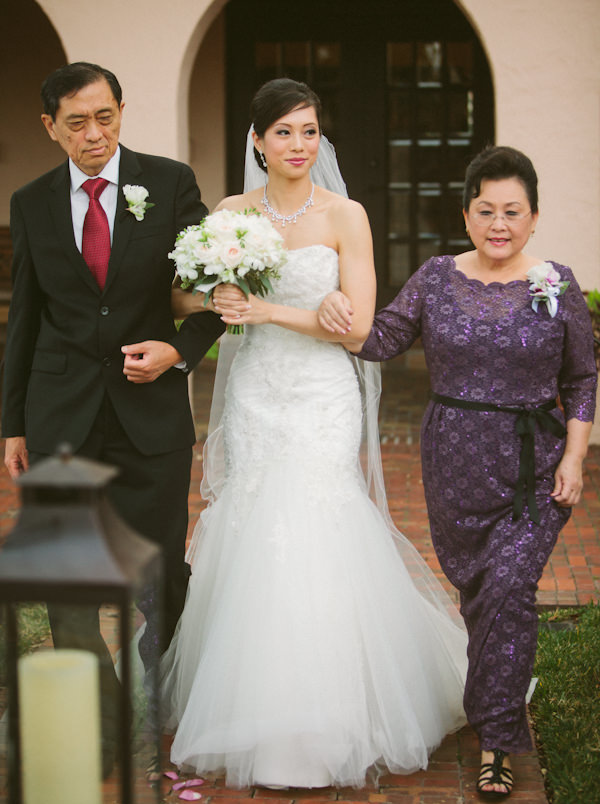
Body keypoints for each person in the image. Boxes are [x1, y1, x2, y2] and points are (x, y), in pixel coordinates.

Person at [160, 77, 468, 790]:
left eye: (309, 132)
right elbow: (179, 288)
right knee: (253, 522)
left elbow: (357, 327)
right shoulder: (232, 214)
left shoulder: (346, 215)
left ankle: (332, 715)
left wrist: (276, 315)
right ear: (258, 141)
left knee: (317, 522)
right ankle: (254, 711)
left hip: (321, 396)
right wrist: (218, 294)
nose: (299, 145)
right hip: (256, 394)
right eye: (285, 132)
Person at [317, 145, 597, 799]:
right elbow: (382, 339)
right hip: (453, 463)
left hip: (534, 466)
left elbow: (582, 376)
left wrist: (577, 457)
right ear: (467, 215)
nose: (499, 224)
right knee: (479, 595)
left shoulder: (556, 284)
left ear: (533, 217)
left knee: (509, 592)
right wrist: (332, 313)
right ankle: (490, 691)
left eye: (513, 211)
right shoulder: (437, 277)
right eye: (486, 210)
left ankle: (498, 741)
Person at [1, 62, 224, 775]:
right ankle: (101, 716)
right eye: (76, 122)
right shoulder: (31, 201)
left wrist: (177, 352)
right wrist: (12, 425)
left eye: (105, 117)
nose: (94, 134)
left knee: (161, 572)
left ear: (121, 112)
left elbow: (215, 291)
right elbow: (25, 321)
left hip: (149, 414)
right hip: (60, 412)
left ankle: (159, 695)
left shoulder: (170, 183)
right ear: (50, 127)